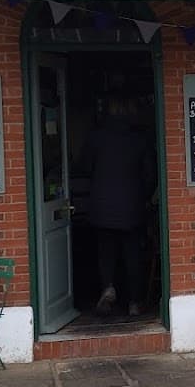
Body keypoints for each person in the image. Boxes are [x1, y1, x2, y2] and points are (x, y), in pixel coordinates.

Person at [85, 99, 157, 316]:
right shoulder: (140, 139)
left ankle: (108, 288)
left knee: (106, 253)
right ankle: (134, 301)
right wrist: (141, 196)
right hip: (132, 208)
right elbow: (150, 175)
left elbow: (84, 167)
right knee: (133, 255)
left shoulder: (96, 137)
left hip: (102, 207)